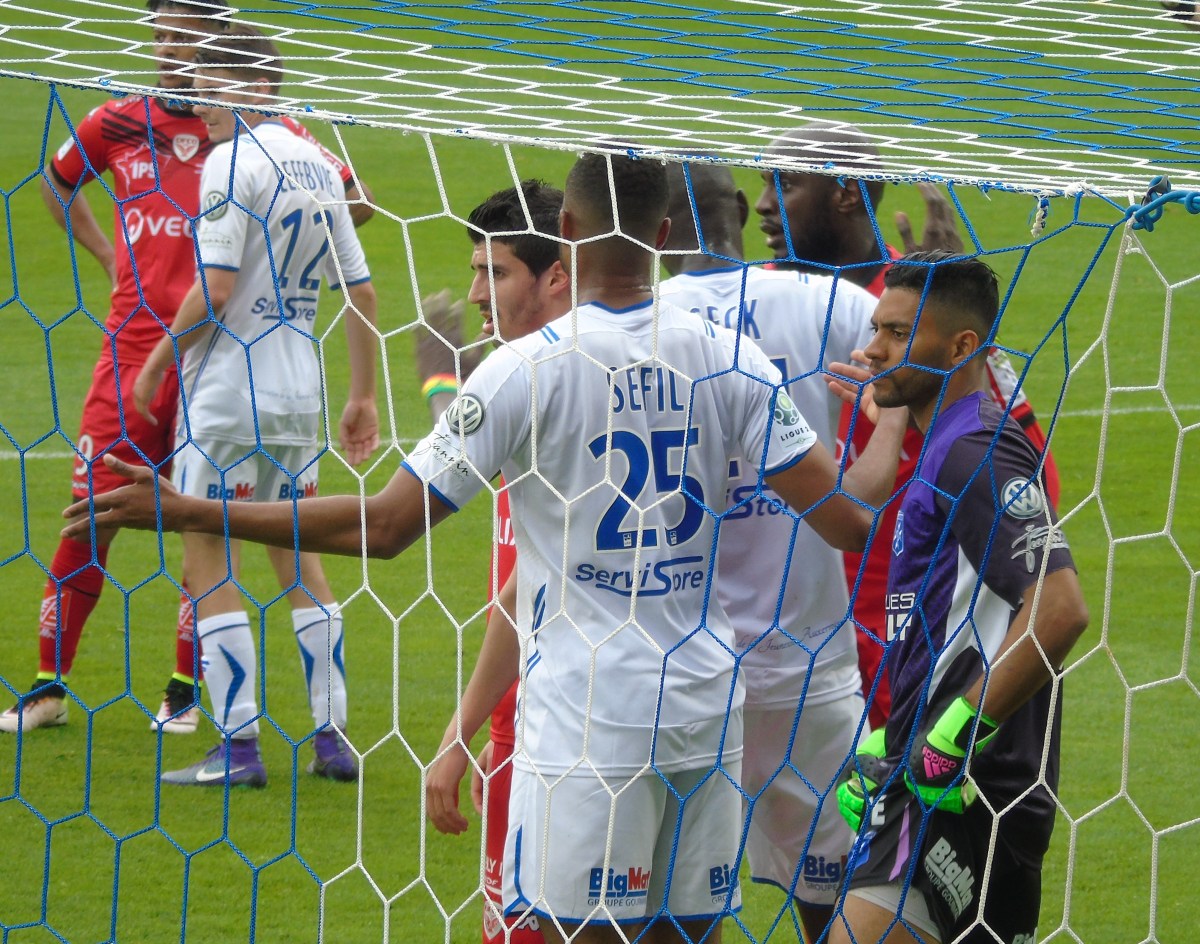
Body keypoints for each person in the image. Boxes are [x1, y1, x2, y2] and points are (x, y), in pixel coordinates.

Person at [65, 152, 907, 943]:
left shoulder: (524, 368)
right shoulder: (736, 361)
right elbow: (847, 520)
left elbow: (386, 527)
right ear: (661, 236)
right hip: (705, 708)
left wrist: (193, 509)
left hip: (588, 721)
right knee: (689, 933)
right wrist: (899, 414)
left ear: (566, 231)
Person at [0, 0, 373, 738]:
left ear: (221, 44)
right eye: (162, 35)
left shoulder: (260, 139)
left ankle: (187, 692)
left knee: (205, 523)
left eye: (187, 37)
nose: (171, 49)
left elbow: (351, 201)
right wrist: (110, 255)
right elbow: (57, 181)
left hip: (222, 355)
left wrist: (273, 243)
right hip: (140, 350)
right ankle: (48, 683)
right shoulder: (118, 120)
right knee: (95, 509)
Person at [128, 27, 379, 786]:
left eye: (214, 88)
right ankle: (332, 740)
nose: (201, 104)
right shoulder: (320, 164)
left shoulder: (229, 162)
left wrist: (156, 362)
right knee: (300, 559)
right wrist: (361, 395)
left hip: (227, 396)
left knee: (206, 554)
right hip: (300, 396)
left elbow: (216, 290)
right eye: (197, 90)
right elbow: (362, 293)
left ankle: (238, 749)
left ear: (260, 86)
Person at [755, 122, 1060, 728]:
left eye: (783, 185)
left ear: (846, 193)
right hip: (775, 632)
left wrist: (977, 339)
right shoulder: (751, 299)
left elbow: (1031, 471)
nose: (763, 205)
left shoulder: (930, 312)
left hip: (905, 622)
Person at [826, 251, 1088, 944]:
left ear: (961, 346)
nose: (873, 349)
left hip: (964, 793)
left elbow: (1059, 609)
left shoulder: (976, 453)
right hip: (937, 785)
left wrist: (956, 732)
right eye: (876, 328)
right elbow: (956, 623)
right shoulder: (944, 445)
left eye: (897, 333)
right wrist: (894, 738)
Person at [657, 161, 877, 943]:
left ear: (651, 230)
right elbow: (941, 370)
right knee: (841, 900)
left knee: (682, 906)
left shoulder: (636, 322)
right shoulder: (828, 302)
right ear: (744, 211)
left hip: (679, 672)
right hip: (810, 665)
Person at [421, 179, 570, 944]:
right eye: (475, 271)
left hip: (558, 725)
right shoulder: (529, 375)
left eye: (495, 272)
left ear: (557, 275)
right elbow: (472, 447)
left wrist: (457, 733)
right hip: (527, 717)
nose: (478, 292)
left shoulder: (558, 381)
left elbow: (397, 518)